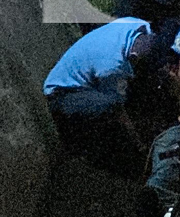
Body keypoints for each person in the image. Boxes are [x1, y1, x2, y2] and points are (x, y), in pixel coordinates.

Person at [43, 17, 163, 173]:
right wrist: (139, 144)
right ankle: (101, 156)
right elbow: (118, 108)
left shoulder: (137, 24)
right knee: (109, 106)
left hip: (83, 75)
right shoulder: (113, 65)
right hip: (63, 95)